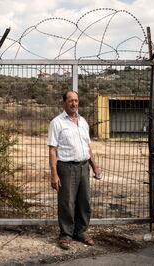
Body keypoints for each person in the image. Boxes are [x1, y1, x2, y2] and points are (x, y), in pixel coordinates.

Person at [47, 90, 101, 250]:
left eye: (76, 100)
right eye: (70, 100)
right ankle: (65, 235)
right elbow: (52, 150)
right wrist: (54, 174)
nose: (74, 103)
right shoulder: (57, 123)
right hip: (66, 167)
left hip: (84, 167)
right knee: (67, 203)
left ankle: (81, 232)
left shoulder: (83, 122)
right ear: (64, 103)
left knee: (85, 202)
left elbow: (87, 147)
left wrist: (95, 166)